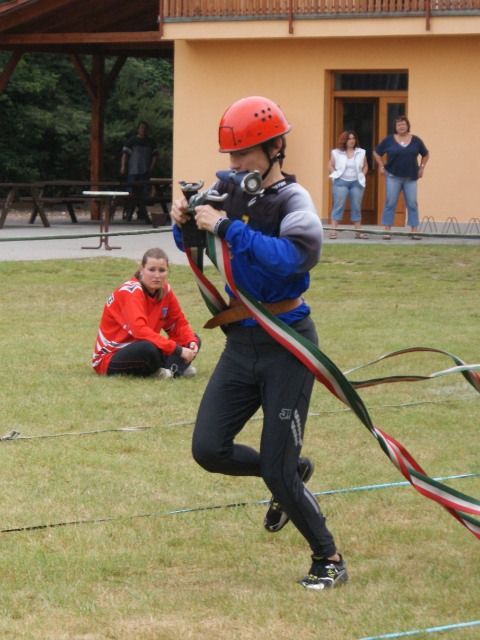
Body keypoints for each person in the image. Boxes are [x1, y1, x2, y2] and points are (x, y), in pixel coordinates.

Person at [170, 96, 348, 591]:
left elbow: (294, 259)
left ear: (274, 148)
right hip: (240, 341)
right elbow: (192, 244)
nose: (233, 165)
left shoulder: (295, 202)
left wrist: (227, 227)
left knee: (276, 467)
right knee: (209, 449)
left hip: (287, 342)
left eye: (243, 153)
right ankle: (292, 472)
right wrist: (183, 218)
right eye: (230, 155)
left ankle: (328, 557)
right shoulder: (227, 188)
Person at [92, 247, 200, 379]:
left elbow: (178, 323)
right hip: (111, 356)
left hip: (147, 344)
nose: (157, 275)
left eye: (162, 270)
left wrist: (190, 342)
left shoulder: (165, 290)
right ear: (142, 269)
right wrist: (178, 351)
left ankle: (170, 371)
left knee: (192, 338)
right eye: (151, 270)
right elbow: (140, 331)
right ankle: (176, 369)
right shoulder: (130, 292)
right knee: (148, 349)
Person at [373, 115, 429, 240]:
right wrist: (381, 166)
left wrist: (422, 167)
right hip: (393, 177)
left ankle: (414, 231)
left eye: (403, 124)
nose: (401, 126)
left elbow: (425, 154)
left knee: (412, 204)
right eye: (398, 125)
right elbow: (376, 153)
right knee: (390, 203)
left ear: (408, 126)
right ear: (395, 127)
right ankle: (387, 231)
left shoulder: (416, 140)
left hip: (411, 178)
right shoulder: (389, 140)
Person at [328, 130, 369, 239]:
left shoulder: (361, 152)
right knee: (338, 205)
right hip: (341, 182)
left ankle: (358, 232)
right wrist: (335, 174)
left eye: (353, 138)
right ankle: (333, 231)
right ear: (344, 140)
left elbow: (365, 166)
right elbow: (330, 165)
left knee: (356, 206)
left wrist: (362, 175)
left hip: (357, 182)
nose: (351, 141)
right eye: (349, 139)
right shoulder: (336, 152)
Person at [120, 121, 158, 222]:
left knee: (143, 193)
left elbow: (155, 155)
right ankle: (130, 212)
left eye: (145, 128)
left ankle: (141, 212)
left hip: (144, 172)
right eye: (141, 128)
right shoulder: (132, 141)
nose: (143, 130)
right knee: (131, 193)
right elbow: (125, 154)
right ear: (138, 129)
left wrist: (151, 166)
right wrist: (123, 166)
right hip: (133, 171)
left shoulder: (150, 142)